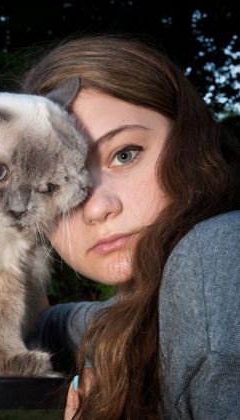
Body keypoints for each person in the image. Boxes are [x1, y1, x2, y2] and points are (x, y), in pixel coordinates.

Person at [22, 35, 240, 419]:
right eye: (54, 185)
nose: (97, 207)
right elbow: (56, 325)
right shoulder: (138, 316)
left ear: (190, 142)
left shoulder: (214, 256)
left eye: (125, 154)